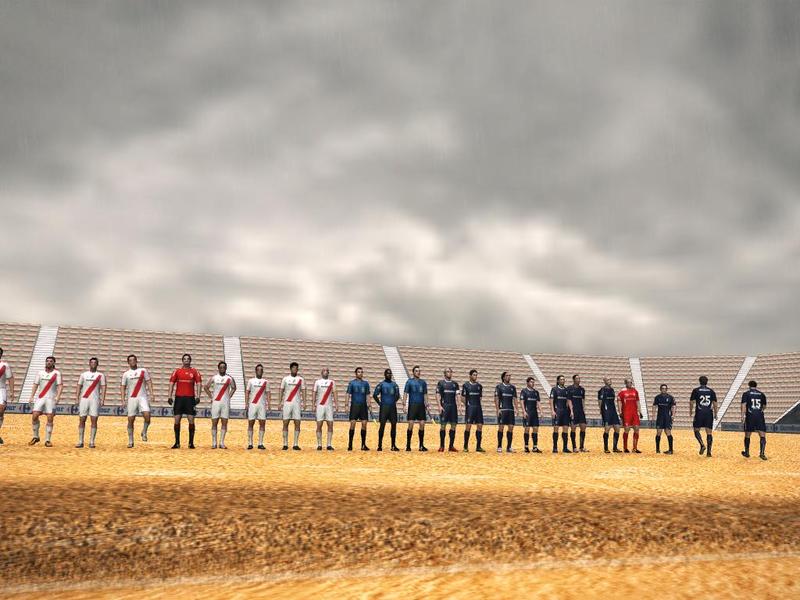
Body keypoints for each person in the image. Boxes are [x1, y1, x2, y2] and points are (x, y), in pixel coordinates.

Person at [168, 354, 201, 449]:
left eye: (188, 359)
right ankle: (177, 443)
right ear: (182, 361)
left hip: (190, 399)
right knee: (177, 420)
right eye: (185, 359)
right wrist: (169, 396)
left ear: (190, 361)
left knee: (191, 420)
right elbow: (171, 383)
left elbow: (199, 384)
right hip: (179, 398)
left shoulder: (195, 371)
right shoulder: (177, 371)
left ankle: (191, 443)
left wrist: (198, 396)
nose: (186, 360)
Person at [122, 354, 154, 448]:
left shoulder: (143, 371)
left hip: (142, 397)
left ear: (136, 361)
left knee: (147, 416)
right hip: (132, 398)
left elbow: (149, 382)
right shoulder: (126, 374)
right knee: (131, 420)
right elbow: (123, 387)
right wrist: (123, 399)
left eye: (134, 360)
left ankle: (144, 431)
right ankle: (131, 440)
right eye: (130, 360)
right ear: (128, 362)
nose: (132, 362)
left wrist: (151, 394)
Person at [28, 356, 62, 447]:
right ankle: (36, 436)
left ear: (54, 363)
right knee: (35, 415)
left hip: (51, 398)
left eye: (51, 361)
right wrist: (31, 396)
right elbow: (35, 384)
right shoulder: (40, 373)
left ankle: (47, 440)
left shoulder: (57, 373)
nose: (49, 362)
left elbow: (60, 386)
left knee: (50, 417)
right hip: (41, 397)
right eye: (47, 361)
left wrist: (58, 396)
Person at [75, 357, 106, 448]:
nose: (93, 364)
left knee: (94, 420)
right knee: (82, 419)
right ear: (89, 364)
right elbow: (79, 386)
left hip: (95, 400)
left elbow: (103, 387)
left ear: (97, 364)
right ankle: (80, 441)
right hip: (84, 399)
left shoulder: (100, 375)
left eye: (95, 362)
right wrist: (77, 398)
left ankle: (92, 441)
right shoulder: (83, 375)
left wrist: (102, 399)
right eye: (91, 362)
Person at [204, 361, 236, 449]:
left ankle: (222, 442)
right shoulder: (214, 377)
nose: (222, 369)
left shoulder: (229, 378)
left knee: (224, 422)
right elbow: (206, 387)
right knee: (214, 422)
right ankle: (214, 442)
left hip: (225, 403)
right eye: (221, 367)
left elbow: (234, 388)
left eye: (224, 367)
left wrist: (229, 396)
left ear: (226, 368)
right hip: (216, 402)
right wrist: (211, 397)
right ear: (218, 368)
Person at [373, 368, 400, 451]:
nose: (389, 374)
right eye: (388, 373)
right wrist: (380, 403)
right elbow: (375, 395)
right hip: (384, 408)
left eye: (390, 373)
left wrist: (393, 402)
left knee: (394, 426)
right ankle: (379, 445)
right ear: (384, 374)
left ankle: (393, 445)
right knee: (382, 426)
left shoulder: (395, 385)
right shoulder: (381, 384)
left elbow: (398, 395)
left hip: (392, 408)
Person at [280, 362, 305, 450]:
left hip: (297, 404)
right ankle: (285, 444)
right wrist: (280, 402)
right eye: (293, 368)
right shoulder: (285, 379)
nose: (295, 369)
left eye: (296, 368)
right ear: (290, 369)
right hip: (287, 403)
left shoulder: (300, 379)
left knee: (297, 423)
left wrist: (304, 402)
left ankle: (295, 444)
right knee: (285, 423)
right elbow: (281, 390)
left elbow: (303, 391)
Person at [403, 366, 430, 451]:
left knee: (422, 424)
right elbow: (405, 393)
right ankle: (408, 445)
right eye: (416, 371)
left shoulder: (423, 383)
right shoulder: (409, 382)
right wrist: (404, 405)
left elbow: (425, 394)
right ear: (413, 372)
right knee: (411, 424)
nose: (418, 372)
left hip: (421, 406)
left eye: (419, 371)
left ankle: (421, 446)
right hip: (412, 406)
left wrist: (427, 404)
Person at [690, 376, 717, 457]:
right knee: (709, 432)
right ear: (707, 382)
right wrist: (716, 413)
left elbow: (691, 402)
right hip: (709, 413)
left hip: (699, 412)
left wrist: (691, 411)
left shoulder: (696, 390)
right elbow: (715, 403)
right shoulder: (711, 391)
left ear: (699, 381)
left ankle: (702, 444)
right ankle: (709, 452)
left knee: (696, 429)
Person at [245, 364, 270, 450]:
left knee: (262, 423)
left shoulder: (266, 382)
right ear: (255, 371)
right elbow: (247, 392)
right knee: (250, 423)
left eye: (261, 370)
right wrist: (246, 403)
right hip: (253, 404)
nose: (260, 371)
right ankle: (250, 443)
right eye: (258, 370)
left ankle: (260, 443)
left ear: (263, 371)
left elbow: (268, 393)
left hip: (262, 405)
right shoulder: (251, 381)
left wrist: (269, 404)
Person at [741, 380, 767, 460]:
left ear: (749, 386)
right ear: (756, 386)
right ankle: (762, 453)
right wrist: (760, 411)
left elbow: (744, 405)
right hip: (759, 416)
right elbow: (764, 406)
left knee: (747, 434)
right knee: (762, 435)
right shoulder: (762, 394)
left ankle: (747, 452)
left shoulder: (746, 394)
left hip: (750, 416)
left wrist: (742, 416)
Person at [346, 367, 371, 451]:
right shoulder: (352, 383)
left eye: (361, 372)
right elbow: (348, 394)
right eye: (359, 372)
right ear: (356, 373)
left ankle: (363, 445)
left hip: (363, 406)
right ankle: (350, 444)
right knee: (353, 424)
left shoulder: (366, 384)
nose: (360, 373)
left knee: (364, 424)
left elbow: (368, 395)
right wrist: (346, 405)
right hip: (354, 406)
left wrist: (369, 404)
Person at [461, 369, 485, 452]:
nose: (475, 376)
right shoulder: (465, 385)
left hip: (478, 408)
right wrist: (468, 405)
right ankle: (465, 446)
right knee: (468, 426)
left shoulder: (479, 386)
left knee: (480, 426)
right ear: (470, 376)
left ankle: (478, 446)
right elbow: (462, 398)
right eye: (474, 375)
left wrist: (476, 405)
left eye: (476, 375)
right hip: (470, 408)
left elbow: (480, 397)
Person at [313, 368, 336, 451]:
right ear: (321, 373)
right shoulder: (317, 382)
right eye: (324, 371)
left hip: (329, 406)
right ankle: (319, 444)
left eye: (327, 371)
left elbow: (335, 393)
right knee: (319, 425)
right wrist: (313, 404)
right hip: (320, 406)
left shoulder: (332, 382)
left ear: (328, 373)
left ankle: (329, 444)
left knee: (330, 424)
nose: (325, 372)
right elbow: (314, 393)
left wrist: (336, 404)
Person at [437, 368, 459, 452]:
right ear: (444, 373)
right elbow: (437, 395)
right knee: (443, 426)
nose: (449, 373)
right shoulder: (441, 383)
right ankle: (442, 446)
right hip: (445, 406)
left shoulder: (455, 384)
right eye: (448, 372)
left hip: (453, 407)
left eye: (451, 372)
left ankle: (451, 446)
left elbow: (458, 395)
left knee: (453, 425)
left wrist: (460, 405)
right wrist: (439, 406)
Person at [617, 379, 642, 453]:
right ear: (625, 383)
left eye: (631, 382)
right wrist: (620, 412)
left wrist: (640, 411)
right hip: (626, 413)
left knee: (636, 429)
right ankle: (625, 448)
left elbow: (637, 401)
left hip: (634, 413)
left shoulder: (635, 391)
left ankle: (635, 448)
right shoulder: (622, 391)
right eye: (628, 382)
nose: (630, 384)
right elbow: (619, 402)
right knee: (627, 429)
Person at [494, 371, 517, 453]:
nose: (509, 377)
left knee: (511, 427)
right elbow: (496, 398)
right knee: (501, 427)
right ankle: (499, 446)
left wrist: (516, 409)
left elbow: (515, 399)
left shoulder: (513, 387)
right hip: (502, 409)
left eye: (510, 375)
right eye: (507, 375)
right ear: (503, 377)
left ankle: (509, 447)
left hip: (510, 410)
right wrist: (498, 409)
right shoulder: (499, 387)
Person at [549, 375, 572, 453]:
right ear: (558, 381)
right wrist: (552, 410)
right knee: (556, 428)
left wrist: (571, 411)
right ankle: (555, 447)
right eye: (561, 379)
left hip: (565, 412)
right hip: (557, 411)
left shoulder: (566, 390)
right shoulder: (554, 389)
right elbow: (551, 400)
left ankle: (565, 448)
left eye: (563, 379)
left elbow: (568, 401)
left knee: (565, 428)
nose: (563, 381)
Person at [597, 378, 621, 453]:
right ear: (604, 382)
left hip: (613, 410)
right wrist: (601, 410)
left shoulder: (612, 390)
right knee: (607, 428)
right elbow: (600, 401)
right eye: (608, 380)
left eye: (610, 380)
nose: (610, 381)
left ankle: (615, 447)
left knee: (617, 428)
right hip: (606, 410)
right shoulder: (602, 390)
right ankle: (606, 448)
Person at [566, 374, 588, 452]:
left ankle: (581, 447)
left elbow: (583, 400)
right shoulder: (569, 389)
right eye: (577, 378)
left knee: (583, 426)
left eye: (579, 378)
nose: (578, 380)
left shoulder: (582, 389)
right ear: (574, 380)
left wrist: (584, 410)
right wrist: (571, 411)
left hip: (580, 411)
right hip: (573, 411)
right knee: (573, 428)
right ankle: (574, 447)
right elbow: (569, 400)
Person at [520, 376, 542, 453]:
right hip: (527, 412)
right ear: (527, 383)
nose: (532, 383)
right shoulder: (524, 391)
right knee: (527, 429)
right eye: (531, 382)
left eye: (533, 382)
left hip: (534, 413)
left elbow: (538, 402)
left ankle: (535, 447)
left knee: (535, 429)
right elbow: (522, 402)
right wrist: (524, 411)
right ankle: (526, 447)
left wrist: (541, 411)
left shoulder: (536, 392)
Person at [653, 384, 675, 454]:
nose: (664, 390)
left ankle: (671, 450)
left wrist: (673, 415)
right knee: (658, 432)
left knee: (668, 432)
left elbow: (673, 406)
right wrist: (653, 416)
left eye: (665, 388)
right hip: (660, 417)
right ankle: (657, 449)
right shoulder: (657, 397)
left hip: (667, 417)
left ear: (667, 389)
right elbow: (654, 406)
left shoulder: (670, 397)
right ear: (660, 389)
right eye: (662, 388)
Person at [0, 347, 15, 445]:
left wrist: (12, 392)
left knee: (1, 411)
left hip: (1, 389)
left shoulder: (5, 365)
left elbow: (10, 378)